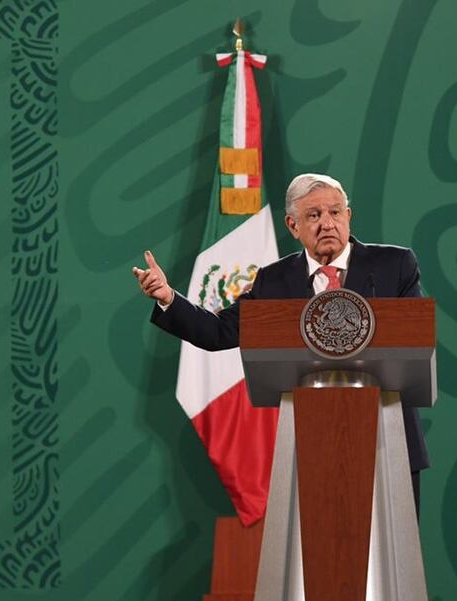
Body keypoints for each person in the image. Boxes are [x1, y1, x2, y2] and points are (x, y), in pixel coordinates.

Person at [132, 173, 429, 512]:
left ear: (349, 215)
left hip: (389, 442)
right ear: (293, 225)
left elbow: (414, 339)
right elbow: (217, 333)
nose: (327, 223)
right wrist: (169, 297)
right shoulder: (274, 281)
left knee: (396, 561)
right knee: (321, 560)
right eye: (314, 216)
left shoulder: (395, 265)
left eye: (335, 212)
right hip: (310, 448)